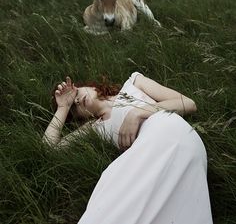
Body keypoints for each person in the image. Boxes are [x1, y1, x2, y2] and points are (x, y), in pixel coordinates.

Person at [43, 72, 213, 224]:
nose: (78, 100)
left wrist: (137, 113)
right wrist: (63, 107)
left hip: (172, 132)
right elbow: (49, 148)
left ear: (90, 85)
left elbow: (188, 103)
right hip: (145, 161)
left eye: (77, 94)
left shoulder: (133, 83)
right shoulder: (95, 128)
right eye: (75, 107)